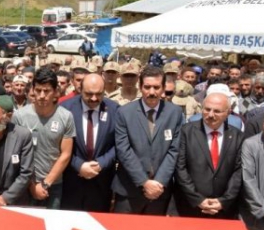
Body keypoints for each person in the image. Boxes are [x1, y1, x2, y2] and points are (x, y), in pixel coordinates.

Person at [112, 67, 184, 215]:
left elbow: (174, 150)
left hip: (159, 191)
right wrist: (144, 182)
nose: (152, 92)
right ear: (140, 87)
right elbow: (123, 150)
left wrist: (158, 183)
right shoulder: (124, 113)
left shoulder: (175, 113)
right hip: (129, 190)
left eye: (156, 87)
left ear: (163, 88)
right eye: (147, 87)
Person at [175, 92, 243, 219]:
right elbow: (180, 168)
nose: (210, 115)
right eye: (207, 109)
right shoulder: (186, 132)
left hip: (223, 209)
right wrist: (198, 200)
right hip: (190, 206)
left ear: (228, 112)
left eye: (217, 111)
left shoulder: (237, 137)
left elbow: (238, 172)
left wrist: (224, 201)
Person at [14, 69, 75, 209]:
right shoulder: (20, 116)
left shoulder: (66, 117)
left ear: (55, 92)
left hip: (53, 185)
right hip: (24, 183)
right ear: (33, 90)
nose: (42, 96)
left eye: (47, 91)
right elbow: (15, 152)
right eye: (38, 90)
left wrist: (46, 183)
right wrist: (31, 185)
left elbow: (65, 154)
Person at [60, 74, 119, 212]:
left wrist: (101, 163)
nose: (94, 98)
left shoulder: (115, 110)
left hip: (102, 183)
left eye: (99, 94)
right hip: (71, 182)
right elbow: (57, 144)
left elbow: (119, 144)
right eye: (89, 94)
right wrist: (78, 165)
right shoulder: (65, 109)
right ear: (80, 89)